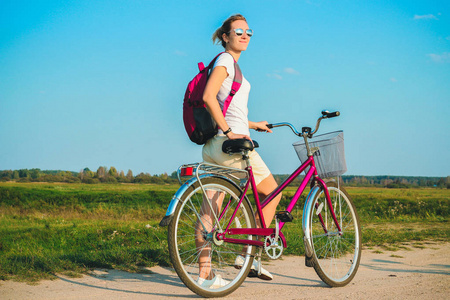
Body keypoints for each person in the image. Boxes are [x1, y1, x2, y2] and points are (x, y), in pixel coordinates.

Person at [195, 14, 283, 288]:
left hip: (213, 147)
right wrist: (231, 132)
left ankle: (203, 275)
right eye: (239, 31)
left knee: (210, 212)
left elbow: (229, 108)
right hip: (231, 146)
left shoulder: (228, 65)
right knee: (273, 191)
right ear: (225, 36)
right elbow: (208, 97)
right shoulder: (225, 61)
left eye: (249, 32)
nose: (245, 35)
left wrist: (254, 124)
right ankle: (250, 256)